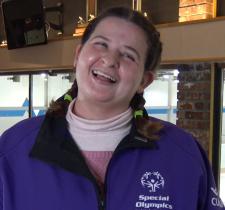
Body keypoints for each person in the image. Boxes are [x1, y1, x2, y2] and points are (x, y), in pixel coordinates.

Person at [0, 6, 224, 210]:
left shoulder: (183, 155)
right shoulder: (12, 150)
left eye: (128, 55)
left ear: (144, 81)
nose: (109, 60)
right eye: (101, 44)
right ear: (78, 56)